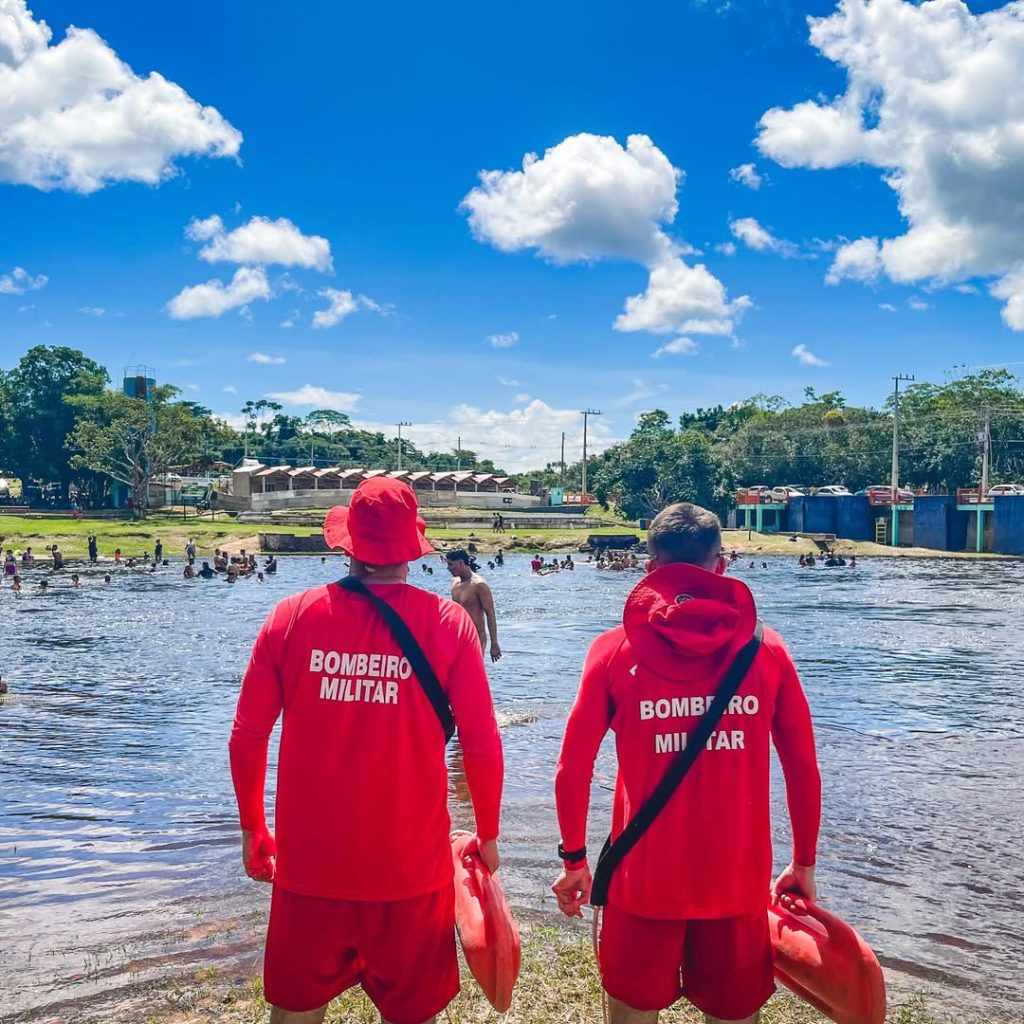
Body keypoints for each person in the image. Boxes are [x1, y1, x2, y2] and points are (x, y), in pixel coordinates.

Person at [229, 477, 504, 1024]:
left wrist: (253, 828)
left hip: (310, 868)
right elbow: (481, 741)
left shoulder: (291, 616)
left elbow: (247, 734)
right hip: (411, 872)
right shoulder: (448, 624)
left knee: (296, 1011)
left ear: (348, 545)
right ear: (411, 548)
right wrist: (489, 836)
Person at [552, 502, 821, 1024]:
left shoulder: (613, 652)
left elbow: (572, 768)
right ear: (721, 565)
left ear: (651, 569)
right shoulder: (768, 653)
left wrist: (574, 861)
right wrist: (804, 862)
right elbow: (803, 768)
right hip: (737, 883)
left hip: (642, 884)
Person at [446, 550, 501, 662]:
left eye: (451, 564)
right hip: (458, 637)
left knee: (473, 674)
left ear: (461, 563)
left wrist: (494, 644)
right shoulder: (454, 582)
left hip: (476, 637)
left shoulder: (479, 585)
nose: (448, 568)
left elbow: (490, 614)